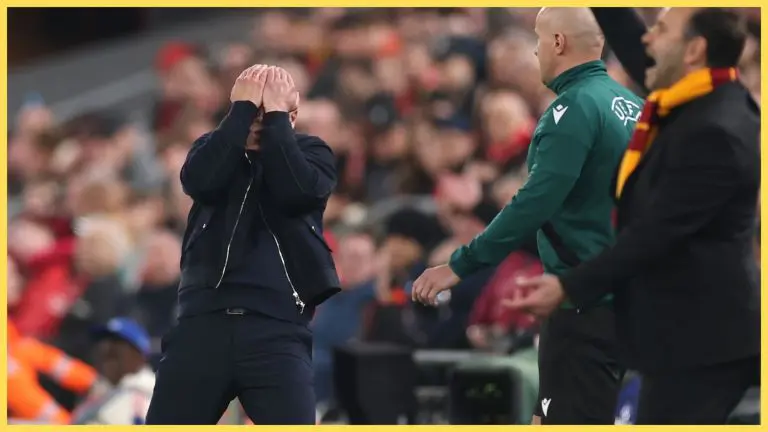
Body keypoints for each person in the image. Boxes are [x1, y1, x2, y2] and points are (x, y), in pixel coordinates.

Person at [507, 8, 760, 425]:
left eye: (661, 29)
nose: (647, 38)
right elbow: (635, 46)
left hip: (705, 340)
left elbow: (654, 235)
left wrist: (568, 285)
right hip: (683, 328)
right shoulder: (699, 96)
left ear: (694, 50)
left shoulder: (717, 131)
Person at [412, 7, 644, 425]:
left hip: (581, 303)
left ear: (558, 42)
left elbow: (534, 202)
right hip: (627, 296)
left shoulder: (574, 108)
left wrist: (460, 264)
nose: (536, 51)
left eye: (538, 39)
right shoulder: (634, 105)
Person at [145, 65, 340, 425]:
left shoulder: (313, 152)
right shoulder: (211, 149)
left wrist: (276, 118)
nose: (256, 122)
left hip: (277, 326)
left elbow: (296, 192)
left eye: (268, 114)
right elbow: (199, 182)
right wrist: (241, 111)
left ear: (291, 116)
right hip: (202, 321)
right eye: (249, 112)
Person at [71, 318, 156, 425]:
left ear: (138, 355)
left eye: (116, 345)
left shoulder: (146, 398)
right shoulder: (101, 393)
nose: (106, 349)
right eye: (103, 343)